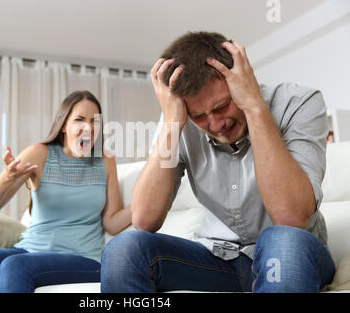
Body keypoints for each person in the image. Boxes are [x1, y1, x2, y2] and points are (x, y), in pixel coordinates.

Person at [100, 31, 335, 293]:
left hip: (289, 256)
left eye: (222, 106)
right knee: (124, 248)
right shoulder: (178, 120)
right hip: (217, 263)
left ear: (242, 79)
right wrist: (171, 125)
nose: (216, 125)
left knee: (283, 241)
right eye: (199, 116)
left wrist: (254, 107)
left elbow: (290, 218)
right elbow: (144, 219)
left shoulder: (299, 103)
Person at [0, 90, 131, 293]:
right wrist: (7, 178)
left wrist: (147, 203)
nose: (89, 127)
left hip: (84, 260)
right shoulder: (41, 153)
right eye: (80, 119)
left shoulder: (105, 160)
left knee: (16, 267)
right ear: (64, 125)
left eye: (95, 121)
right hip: (28, 252)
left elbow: (111, 221)